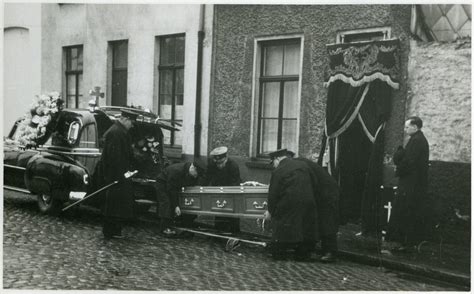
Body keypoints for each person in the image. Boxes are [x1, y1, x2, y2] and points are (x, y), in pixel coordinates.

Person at [263, 149, 318, 261]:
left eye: (273, 163)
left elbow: (273, 193)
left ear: (277, 159)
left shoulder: (278, 171)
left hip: (288, 202)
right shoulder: (303, 165)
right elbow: (315, 182)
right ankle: (303, 254)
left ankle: (279, 253)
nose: (273, 166)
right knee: (304, 226)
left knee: (282, 226)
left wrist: (270, 211)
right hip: (308, 199)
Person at [387, 116, 429, 251]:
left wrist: (398, 168)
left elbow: (409, 161)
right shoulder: (417, 139)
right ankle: (406, 242)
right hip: (413, 182)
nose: (405, 130)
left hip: (411, 183)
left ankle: (404, 243)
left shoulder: (417, 141)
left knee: (406, 210)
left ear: (415, 127)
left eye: (407, 127)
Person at [290, 151, 340, 263]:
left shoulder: (298, 166)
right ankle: (309, 249)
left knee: (327, 223)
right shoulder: (299, 163)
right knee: (314, 222)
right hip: (320, 192)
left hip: (327, 194)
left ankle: (330, 252)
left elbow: (306, 184)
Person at [101, 110, 138, 239]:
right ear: (125, 119)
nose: (132, 126)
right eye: (132, 122)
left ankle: (115, 230)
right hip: (116, 176)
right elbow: (114, 158)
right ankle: (110, 231)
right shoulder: (116, 133)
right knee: (114, 204)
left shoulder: (120, 132)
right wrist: (119, 176)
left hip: (120, 174)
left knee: (119, 203)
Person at [155, 159, 207, 236]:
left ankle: (186, 225)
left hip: (176, 186)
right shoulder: (177, 171)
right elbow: (171, 190)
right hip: (163, 183)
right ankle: (164, 228)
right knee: (166, 202)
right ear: (193, 168)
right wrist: (176, 206)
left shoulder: (192, 172)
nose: (196, 177)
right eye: (196, 174)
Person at [205, 146, 242, 232]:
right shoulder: (212, 165)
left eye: (221, 162)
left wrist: (228, 194)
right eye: (217, 163)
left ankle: (233, 235)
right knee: (219, 214)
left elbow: (235, 184)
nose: (219, 165)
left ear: (226, 158)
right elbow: (207, 178)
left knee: (232, 215)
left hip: (231, 193)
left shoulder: (233, 166)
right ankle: (219, 234)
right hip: (218, 193)